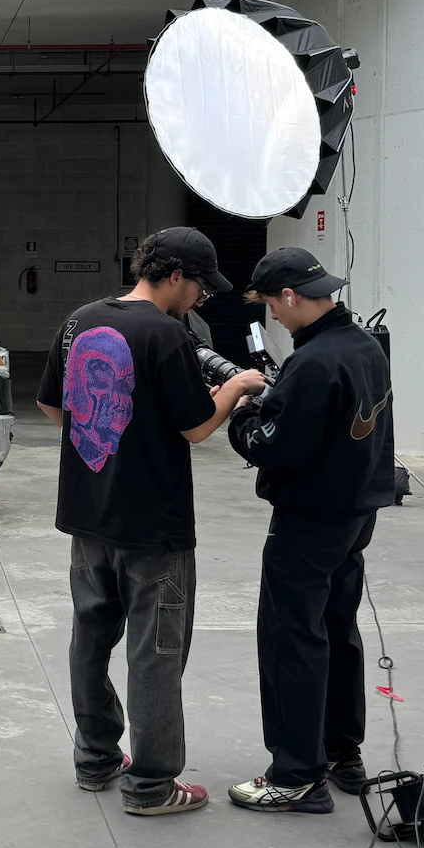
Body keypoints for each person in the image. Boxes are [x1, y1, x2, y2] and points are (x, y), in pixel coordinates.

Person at [36, 228, 267, 816]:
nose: (199, 300)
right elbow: (195, 427)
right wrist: (237, 387)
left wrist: (111, 438)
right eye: (199, 288)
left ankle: (95, 760)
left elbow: (51, 406)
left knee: (90, 640)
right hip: (154, 530)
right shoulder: (166, 334)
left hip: (88, 518)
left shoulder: (81, 318)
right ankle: (152, 785)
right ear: (175, 276)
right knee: (156, 655)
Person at [226, 247, 395, 814]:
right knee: (337, 627)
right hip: (355, 514)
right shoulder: (366, 347)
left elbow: (276, 445)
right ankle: (342, 752)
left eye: (274, 304)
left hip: (308, 519)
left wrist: (246, 412)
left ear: (291, 298)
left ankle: (296, 774)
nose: (274, 316)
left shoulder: (315, 362)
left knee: (289, 637)